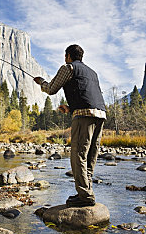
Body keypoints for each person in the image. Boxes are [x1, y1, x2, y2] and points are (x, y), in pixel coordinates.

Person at [34, 44, 106, 207]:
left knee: (78, 155)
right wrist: (70, 107)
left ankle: (85, 196)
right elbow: (87, 93)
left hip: (84, 116)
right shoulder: (92, 72)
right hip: (100, 114)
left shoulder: (68, 68)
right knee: (90, 155)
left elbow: (51, 89)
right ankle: (86, 191)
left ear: (68, 56)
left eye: (65, 56)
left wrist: (41, 82)